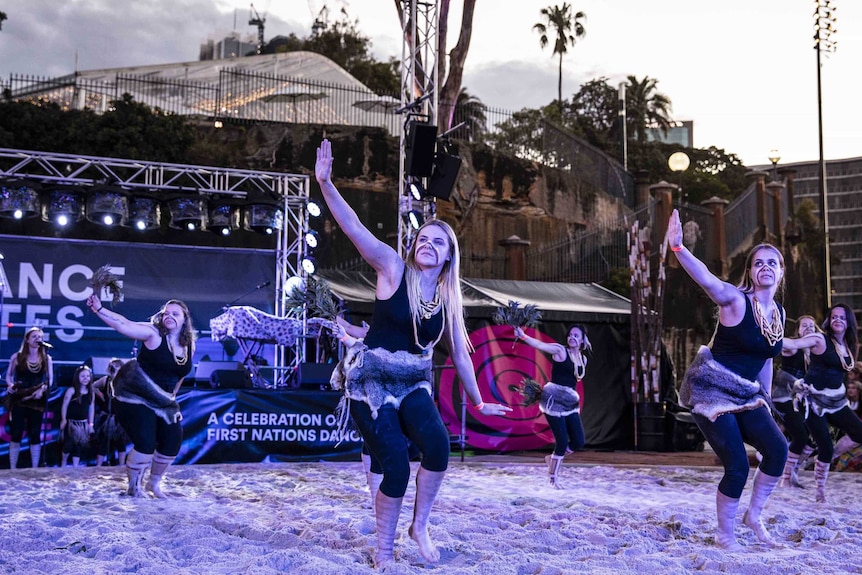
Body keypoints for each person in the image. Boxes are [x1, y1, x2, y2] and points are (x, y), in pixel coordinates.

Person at [316, 138, 511, 567]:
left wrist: (479, 401)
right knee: (398, 467)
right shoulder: (391, 267)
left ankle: (419, 525)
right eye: (423, 237)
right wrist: (327, 185)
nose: (428, 243)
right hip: (370, 381)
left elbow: (461, 354)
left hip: (412, 381)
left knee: (439, 448)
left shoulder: (448, 301)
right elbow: (353, 229)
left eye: (438, 242)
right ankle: (383, 551)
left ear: (448, 257)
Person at [669, 209, 788, 550]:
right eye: (758, 263)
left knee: (777, 449)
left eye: (772, 263)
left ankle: (754, 516)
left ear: (780, 272)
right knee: (737, 465)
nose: (765, 267)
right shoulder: (736, 301)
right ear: (750, 271)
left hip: (747, 395)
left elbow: (766, 356)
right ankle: (725, 535)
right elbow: (709, 280)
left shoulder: (778, 314)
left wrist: (764, 397)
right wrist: (679, 248)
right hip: (712, 392)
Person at [85, 295, 195, 497]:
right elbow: (123, 324)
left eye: (175, 313)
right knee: (145, 442)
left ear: (184, 318)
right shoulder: (153, 333)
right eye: (166, 313)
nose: (169, 316)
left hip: (162, 400)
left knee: (172, 441)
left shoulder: (188, 345)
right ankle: (134, 487)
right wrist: (99, 309)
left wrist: (171, 400)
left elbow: (179, 376)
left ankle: (153, 484)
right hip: (133, 395)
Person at [782, 303, 862, 502]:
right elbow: (792, 345)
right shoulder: (819, 339)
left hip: (836, 400)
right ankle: (819, 491)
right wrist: (769, 334)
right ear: (828, 320)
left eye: (842, 317)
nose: (837, 320)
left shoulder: (851, 347)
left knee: (858, 433)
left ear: (849, 322)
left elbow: (844, 370)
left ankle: (828, 456)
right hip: (811, 401)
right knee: (822, 445)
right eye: (833, 316)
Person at [513, 324, 589, 488]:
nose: (572, 337)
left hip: (569, 401)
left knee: (578, 441)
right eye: (570, 334)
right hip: (553, 399)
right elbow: (541, 345)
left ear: (582, 340)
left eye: (576, 335)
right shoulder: (560, 350)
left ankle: (551, 458)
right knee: (561, 441)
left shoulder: (583, 359)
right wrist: (523, 336)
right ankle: (553, 479)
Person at [773, 316, 818, 487]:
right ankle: (786, 477)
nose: (808, 328)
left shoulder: (813, 353)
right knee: (800, 435)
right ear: (798, 330)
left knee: (814, 437)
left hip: (801, 401)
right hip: (783, 398)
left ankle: (793, 471)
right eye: (804, 325)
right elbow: (782, 344)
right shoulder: (792, 348)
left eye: (812, 326)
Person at [4, 326, 53, 469]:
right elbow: (9, 375)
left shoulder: (46, 357)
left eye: (40, 337)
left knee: (35, 432)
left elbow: (50, 379)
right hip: (20, 396)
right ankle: (13, 467)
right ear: (27, 339)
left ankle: (35, 467)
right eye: (34, 337)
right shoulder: (17, 357)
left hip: (37, 397)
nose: (38, 339)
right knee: (16, 431)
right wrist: (10, 385)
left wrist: (43, 388)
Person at [93, 358, 131, 467]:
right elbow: (93, 386)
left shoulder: (125, 382)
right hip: (107, 416)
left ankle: (121, 465)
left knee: (120, 442)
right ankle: (98, 466)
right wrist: (100, 394)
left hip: (119, 416)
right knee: (103, 442)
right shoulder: (106, 380)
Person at [59, 365, 96, 467]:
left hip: (82, 424)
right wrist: (63, 419)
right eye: (83, 376)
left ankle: (75, 466)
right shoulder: (71, 390)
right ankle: (64, 461)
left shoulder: (91, 393)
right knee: (68, 444)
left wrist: (91, 424)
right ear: (77, 377)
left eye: (88, 376)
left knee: (78, 446)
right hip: (71, 423)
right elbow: (64, 405)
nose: (85, 379)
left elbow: (91, 408)